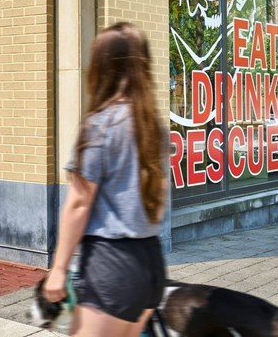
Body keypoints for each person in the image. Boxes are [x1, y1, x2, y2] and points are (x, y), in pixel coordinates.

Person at [42, 22, 167, 336]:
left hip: (111, 265)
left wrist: (58, 269)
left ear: (101, 66)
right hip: (150, 262)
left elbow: (79, 204)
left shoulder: (101, 126)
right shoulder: (153, 126)